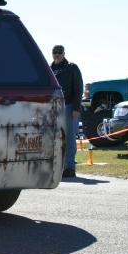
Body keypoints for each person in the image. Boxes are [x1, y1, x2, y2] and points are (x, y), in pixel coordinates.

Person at [50, 45, 83, 177]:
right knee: (54, 137)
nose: (57, 54)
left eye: (59, 52)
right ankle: (57, 167)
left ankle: (69, 167)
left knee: (68, 137)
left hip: (68, 106)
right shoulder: (49, 69)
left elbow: (78, 88)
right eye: (54, 52)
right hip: (52, 107)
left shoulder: (72, 67)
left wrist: (76, 108)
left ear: (64, 53)